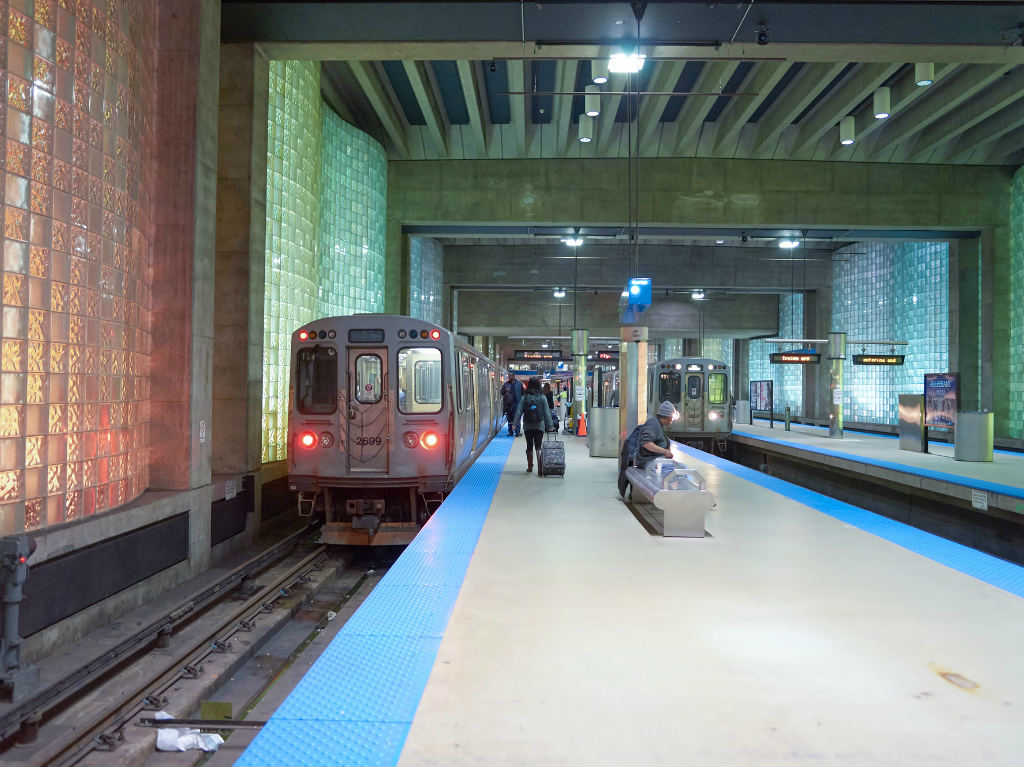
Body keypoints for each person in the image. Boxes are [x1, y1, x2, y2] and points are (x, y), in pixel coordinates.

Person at [513, 377, 555, 473]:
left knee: (529, 446)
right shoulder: (542, 397)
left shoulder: (525, 397)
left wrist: (515, 423)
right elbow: (547, 412)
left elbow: (519, 411)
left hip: (528, 426)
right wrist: (550, 426)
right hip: (539, 425)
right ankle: (540, 468)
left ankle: (530, 466)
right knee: (538, 446)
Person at [636, 400, 678, 468]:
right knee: (679, 470)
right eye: (672, 417)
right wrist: (665, 452)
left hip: (655, 460)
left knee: (679, 467)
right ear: (668, 416)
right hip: (649, 462)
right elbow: (646, 443)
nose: (673, 420)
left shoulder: (658, 424)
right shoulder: (653, 424)